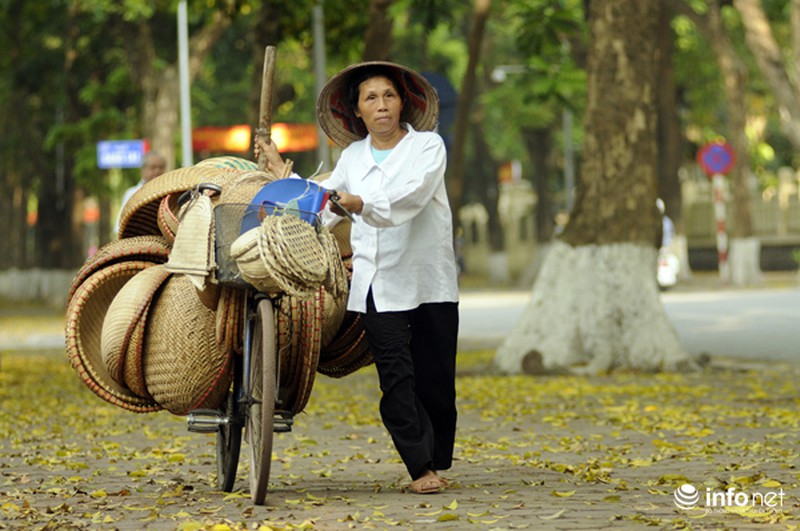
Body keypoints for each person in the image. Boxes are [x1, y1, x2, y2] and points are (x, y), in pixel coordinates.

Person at [256, 61, 460, 495]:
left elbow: (411, 195)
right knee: (396, 378)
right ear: (359, 112)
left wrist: (360, 202)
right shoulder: (351, 157)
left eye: (389, 95)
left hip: (429, 281)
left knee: (436, 381)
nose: (382, 105)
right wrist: (281, 174)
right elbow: (325, 208)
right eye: (371, 98)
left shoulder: (428, 147)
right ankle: (420, 467)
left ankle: (438, 456)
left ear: (403, 102)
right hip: (376, 284)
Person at [114, 152, 167, 234]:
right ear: (143, 170)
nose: (157, 171)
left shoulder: (169, 193)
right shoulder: (132, 194)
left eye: (161, 167)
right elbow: (120, 226)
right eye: (153, 167)